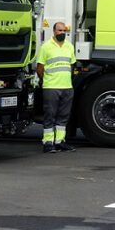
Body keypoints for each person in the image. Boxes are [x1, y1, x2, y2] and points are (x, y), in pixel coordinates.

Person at [36, 22, 77, 153]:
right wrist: (46, 80)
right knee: (50, 115)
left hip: (67, 87)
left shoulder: (69, 46)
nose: (62, 33)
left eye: (64, 31)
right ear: (54, 31)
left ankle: (60, 141)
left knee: (64, 116)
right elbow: (39, 68)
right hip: (51, 87)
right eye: (59, 30)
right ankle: (48, 143)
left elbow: (72, 65)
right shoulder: (46, 47)